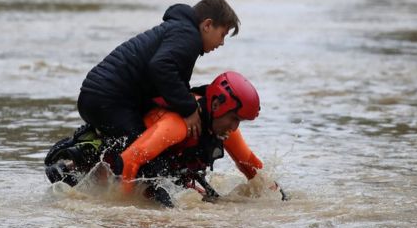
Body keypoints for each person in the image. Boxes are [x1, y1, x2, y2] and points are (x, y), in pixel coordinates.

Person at [45, 71, 288, 207]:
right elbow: (129, 162)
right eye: (234, 118)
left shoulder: (224, 127)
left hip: (158, 172)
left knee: (212, 203)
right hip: (120, 166)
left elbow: (250, 164)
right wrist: (125, 209)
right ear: (215, 104)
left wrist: (280, 197)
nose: (234, 127)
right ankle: (72, 163)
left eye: (240, 122)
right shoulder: (177, 126)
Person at [77, 0, 240, 171]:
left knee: (152, 146)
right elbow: (161, 67)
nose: (222, 42)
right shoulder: (188, 36)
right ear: (207, 25)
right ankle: (79, 164)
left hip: (105, 97)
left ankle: (94, 162)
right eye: (222, 34)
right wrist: (189, 108)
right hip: (107, 100)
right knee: (146, 156)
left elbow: (175, 80)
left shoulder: (183, 32)